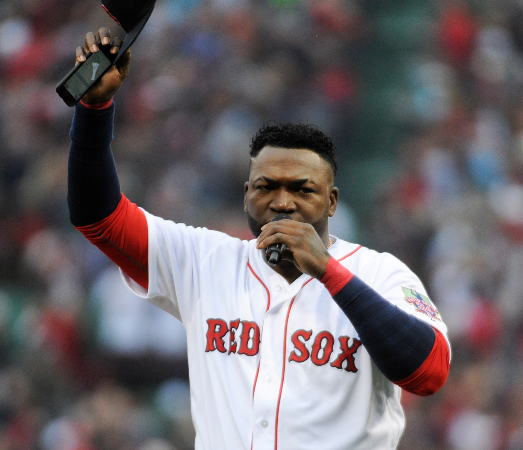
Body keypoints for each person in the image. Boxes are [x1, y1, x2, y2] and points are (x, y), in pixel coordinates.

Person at [67, 28, 450, 450]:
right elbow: (98, 217)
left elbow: (428, 372)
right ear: (247, 194)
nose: (282, 201)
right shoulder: (204, 260)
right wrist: (94, 106)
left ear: (332, 201)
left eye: (302, 189)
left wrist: (327, 271)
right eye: (266, 186)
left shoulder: (379, 273)